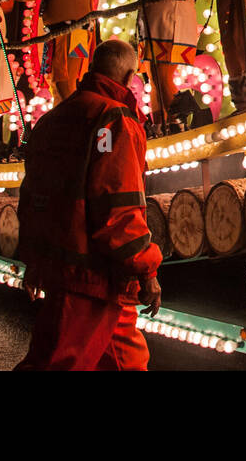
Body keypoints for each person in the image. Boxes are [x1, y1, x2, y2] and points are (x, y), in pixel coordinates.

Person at [15, 38, 162, 371]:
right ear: (127, 79)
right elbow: (117, 203)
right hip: (91, 276)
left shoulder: (52, 119)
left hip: (69, 265)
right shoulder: (114, 120)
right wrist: (147, 269)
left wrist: (34, 259)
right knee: (58, 363)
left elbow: (33, 196)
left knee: (127, 364)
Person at [97, 0, 204, 130]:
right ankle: (160, 124)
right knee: (154, 76)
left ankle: (177, 122)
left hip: (171, 16)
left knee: (162, 73)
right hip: (154, 18)